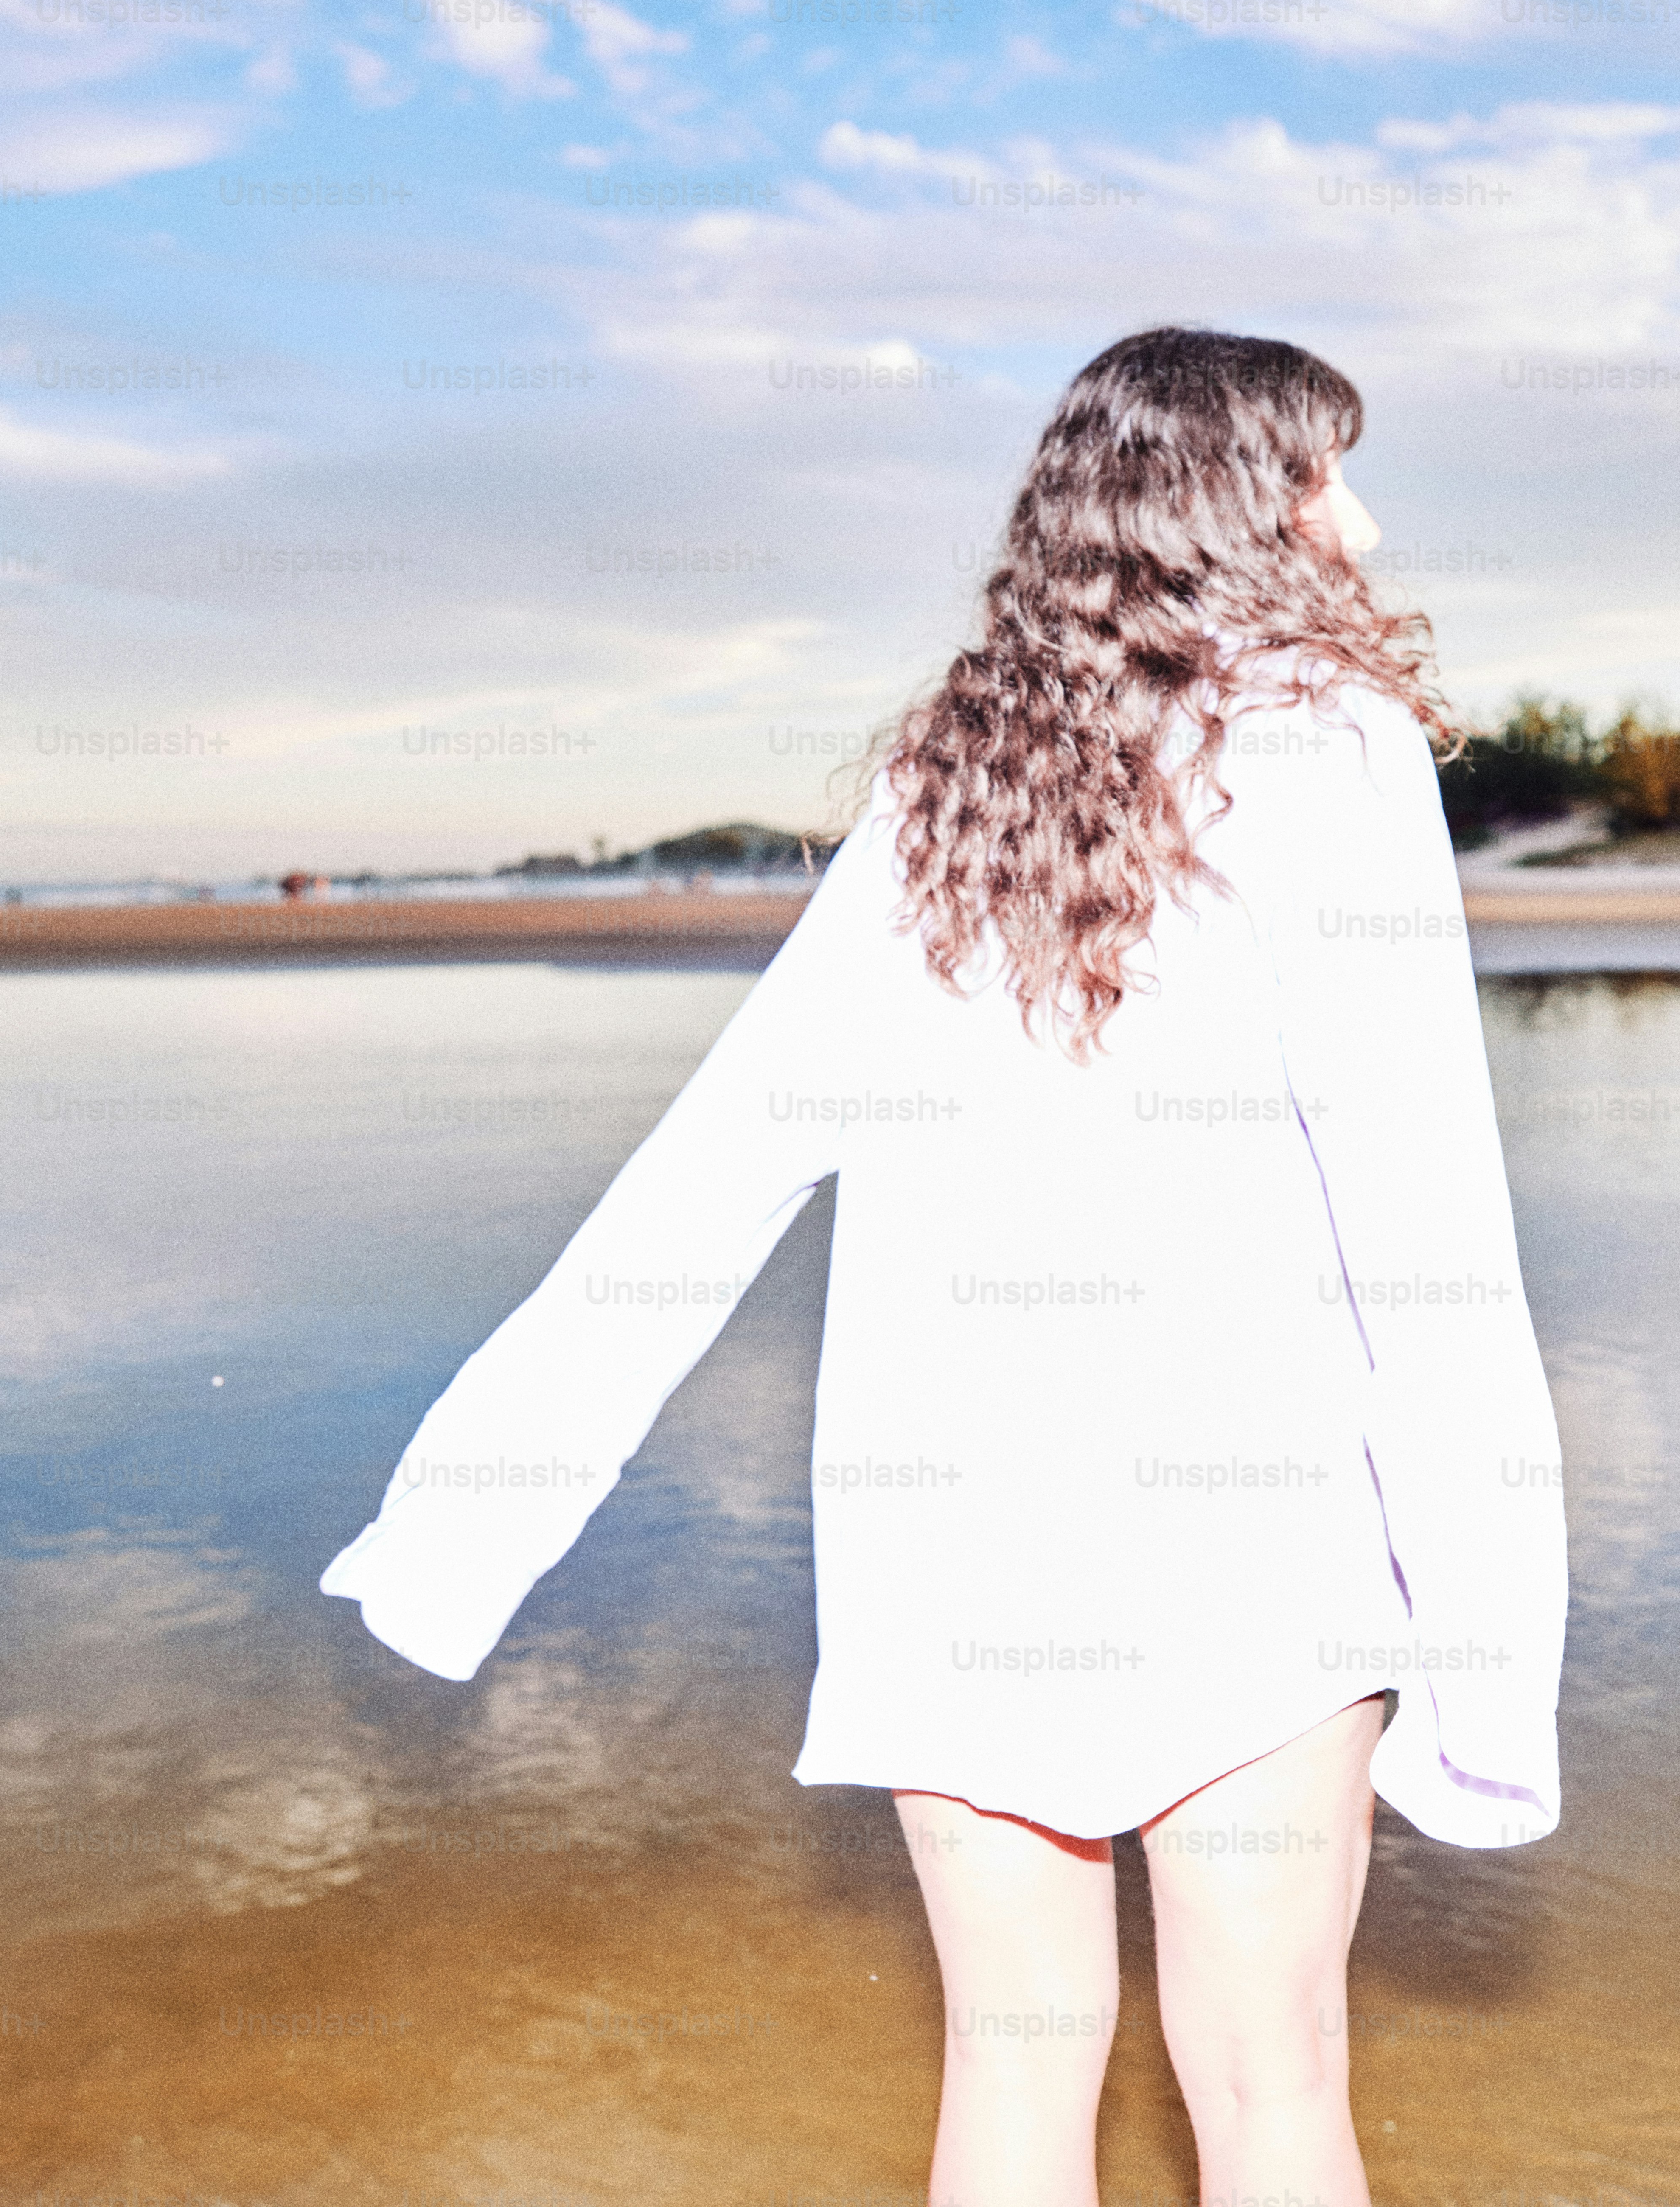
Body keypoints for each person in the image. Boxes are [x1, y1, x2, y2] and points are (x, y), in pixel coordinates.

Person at [320, 326, 1569, 2207]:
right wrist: (1494, 1640)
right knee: (1270, 2093)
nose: (1363, 519)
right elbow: (1426, 1217)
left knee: (1009, 2077)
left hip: (955, 1525)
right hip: (1252, 1522)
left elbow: (717, 1162)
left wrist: (464, 1521)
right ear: (1235, 503)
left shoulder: (947, 780)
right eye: (1327, 473)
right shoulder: (1330, 740)